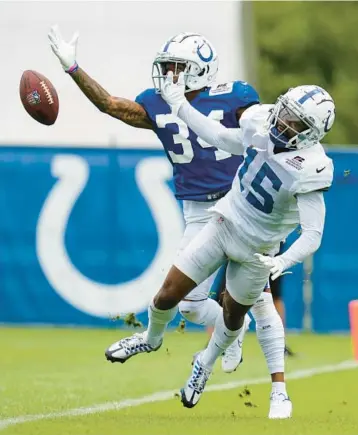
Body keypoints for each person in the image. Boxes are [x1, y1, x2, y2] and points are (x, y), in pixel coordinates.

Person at [48, 26, 287, 378]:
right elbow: (110, 105)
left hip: (239, 206)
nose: (168, 74)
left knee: (259, 298)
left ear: (200, 69)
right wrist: (73, 69)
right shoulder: (157, 102)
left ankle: (249, 357)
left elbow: (259, 128)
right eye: (167, 65)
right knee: (188, 305)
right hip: (198, 211)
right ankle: (229, 330)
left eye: (176, 66)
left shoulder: (235, 96)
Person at [105, 74, 335, 419]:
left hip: (259, 251)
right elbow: (221, 137)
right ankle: (151, 339)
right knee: (169, 294)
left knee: (232, 316)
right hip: (224, 223)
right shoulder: (262, 119)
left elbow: (313, 234)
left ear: (312, 133)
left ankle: (205, 364)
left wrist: (283, 259)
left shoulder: (312, 167)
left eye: (294, 121)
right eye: (285, 111)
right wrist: (180, 105)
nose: (283, 121)